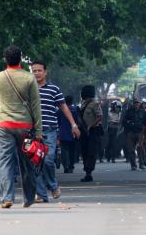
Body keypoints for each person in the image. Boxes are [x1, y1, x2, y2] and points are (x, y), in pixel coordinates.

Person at [0, 45, 43, 208]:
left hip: (4, 125)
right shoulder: (29, 78)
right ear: (20, 59)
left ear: (5, 59)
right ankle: (28, 197)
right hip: (25, 126)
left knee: (5, 161)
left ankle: (7, 197)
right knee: (26, 162)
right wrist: (39, 130)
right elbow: (36, 105)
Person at [31, 61, 80, 203]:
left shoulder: (54, 89)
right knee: (36, 162)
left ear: (45, 72)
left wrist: (74, 125)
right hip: (32, 131)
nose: (37, 73)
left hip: (50, 130)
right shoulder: (27, 89)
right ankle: (41, 194)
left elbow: (64, 107)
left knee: (48, 160)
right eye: (34, 71)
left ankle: (53, 186)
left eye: (40, 70)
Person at [79, 85, 103, 182]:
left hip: (93, 131)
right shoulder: (83, 104)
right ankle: (87, 171)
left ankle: (89, 172)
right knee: (84, 151)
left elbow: (99, 117)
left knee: (91, 152)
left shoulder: (95, 104)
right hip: (84, 131)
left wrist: (90, 126)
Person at [124, 100, 146, 170]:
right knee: (131, 149)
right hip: (131, 132)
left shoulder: (143, 111)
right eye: (135, 103)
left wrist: (144, 133)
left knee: (140, 148)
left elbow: (145, 123)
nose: (136, 104)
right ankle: (133, 165)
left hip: (140, 132)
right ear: (133, 104)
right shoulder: (129, 111)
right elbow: (124, 121)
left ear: (139, 104)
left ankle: (141, 164)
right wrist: (128, 128)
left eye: (137, 103)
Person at [57, 96, 79, 173]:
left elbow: (58, 122)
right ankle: (71, 166)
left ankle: (65, 166)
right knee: (72, 151)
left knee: (64, 150)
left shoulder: (60, 111)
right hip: (72, 133)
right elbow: (77, 121)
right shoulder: (74, 110)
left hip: (63, 133)